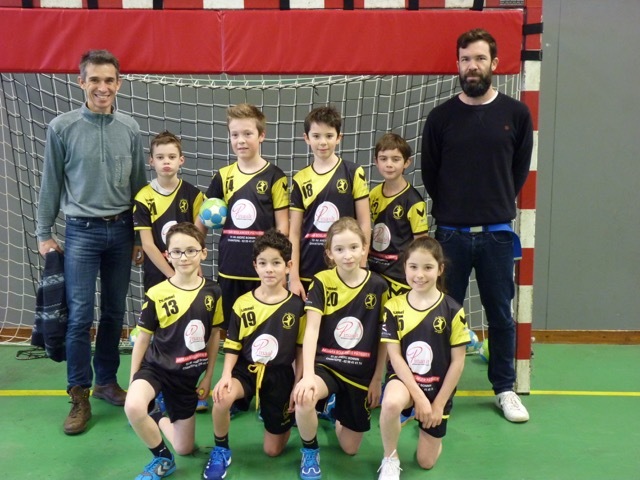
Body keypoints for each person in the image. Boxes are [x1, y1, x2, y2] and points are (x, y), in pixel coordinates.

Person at [421, 28, 534, 423]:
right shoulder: (441, 118)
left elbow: (518, 171)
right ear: (458, 64)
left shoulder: (516, 115)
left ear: (494, 64)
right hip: (449, 236)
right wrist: (456, 212)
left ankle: (504, 389)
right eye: (466, 59)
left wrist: (493, 206)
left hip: (497, 236)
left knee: (500, 315)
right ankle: (440, 393)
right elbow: (431, 174)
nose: (473, 66)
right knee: (442, 316)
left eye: (480, 58)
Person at [36, 49, 147, 435]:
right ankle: (79, 394)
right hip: (81, 232)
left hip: (122, 231)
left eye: (109, 80)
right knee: (81, 316)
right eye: (95, 79)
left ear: (119, 83)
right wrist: (43, 233)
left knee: (114, 313)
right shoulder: (62, 128)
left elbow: (139, 187)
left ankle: (106, 383)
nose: (103, 87)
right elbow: (50, 184)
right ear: (81, 82)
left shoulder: (130, 128)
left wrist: (139, 235)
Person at [203, 229, 306, 480]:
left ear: (288, 266)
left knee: (272, 451)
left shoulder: (297, 306)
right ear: (255, 266)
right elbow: (233, 345)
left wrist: (298, 382)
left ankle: (283, 421)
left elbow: (301, 349)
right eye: (263, 263)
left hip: (280, 376)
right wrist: (225, 375)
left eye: (276, 263)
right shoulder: (242, 303)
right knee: (221, 398)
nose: (269, 269)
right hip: (246, 370)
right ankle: (221, 449)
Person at [125, 222, 223, 480]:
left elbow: (214, 336)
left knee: (184, 447)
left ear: (203, 253)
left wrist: (208, 376)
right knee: (133, 406)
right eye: (177, 252)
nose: (184, 257)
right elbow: (143, 339)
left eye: (191, 250)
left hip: (187, 376)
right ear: (167, 255)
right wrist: (134, 378)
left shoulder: (213, 291)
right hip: (156, 368)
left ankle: (156, 414)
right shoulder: (157, 293)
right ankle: (162, 459)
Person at [293, 217, 388, 480]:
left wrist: (377, 378)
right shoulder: (322, 281)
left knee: (350, 448)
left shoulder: (379, 286)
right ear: (329, 253)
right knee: (305, 398)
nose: (348, 255)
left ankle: (333, 408)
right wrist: (308, 375)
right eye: (340, 249)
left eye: (354, 247)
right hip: (327, 365)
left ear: (365, 248)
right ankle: (310, 450)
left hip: (360, 372)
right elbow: (311, 330)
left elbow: (383, 338)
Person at [377, 237, 470, 479]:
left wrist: (437, 404)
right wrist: (418, 397)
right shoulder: (393, 306)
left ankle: (428, 430)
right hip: (405, 382)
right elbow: (395, 358)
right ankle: (390, 457)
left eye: (428, 267)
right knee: (390, 403)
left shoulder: (453, 310)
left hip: (437, 389)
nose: (420, 275)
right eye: (413, 267)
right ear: (405, 267)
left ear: (440, 269)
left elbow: (458, 362)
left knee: (425, 462)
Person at [200, 103, 289, 326]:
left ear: (261, 135)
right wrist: (194, 252)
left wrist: (279, 267)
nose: (240, 140)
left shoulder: (275, 176)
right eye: (235, 134)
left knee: (263, 329)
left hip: (263, 272)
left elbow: (283, 227)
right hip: (230, 268)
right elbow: (202, 220)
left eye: (248, 134)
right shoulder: (223, 176)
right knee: (231, 329)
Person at [289, 105, 371, 301]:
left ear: (339, 137)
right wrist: (293, 277)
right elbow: (294, 232)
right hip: (309, 268)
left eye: (329, 135)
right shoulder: (300, 179)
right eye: (316, 136)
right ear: (306, 138)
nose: (323, 142)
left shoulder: (353, 172)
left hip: (347, 268)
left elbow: (364, 223)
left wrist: (361, 264)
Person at [134, 130, 205, 293]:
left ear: (181, 160)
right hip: (157, 270)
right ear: (151, 161)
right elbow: (147, 244)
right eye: (160, 157)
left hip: (188, 268)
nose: (166, 161)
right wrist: (172, 276)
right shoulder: (143, 197)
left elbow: (197, 237)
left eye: (172, 157)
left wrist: (194, 265)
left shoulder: (194, 195)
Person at [368, 133, 429, 297]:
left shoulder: (413, 201)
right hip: (375, 271)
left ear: (406, 162)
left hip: (399, 277)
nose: (389, 164)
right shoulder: (373, 194)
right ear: (376, 161)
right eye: (383, 159)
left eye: (395, 159)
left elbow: (421, 244)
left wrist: (415, 273)